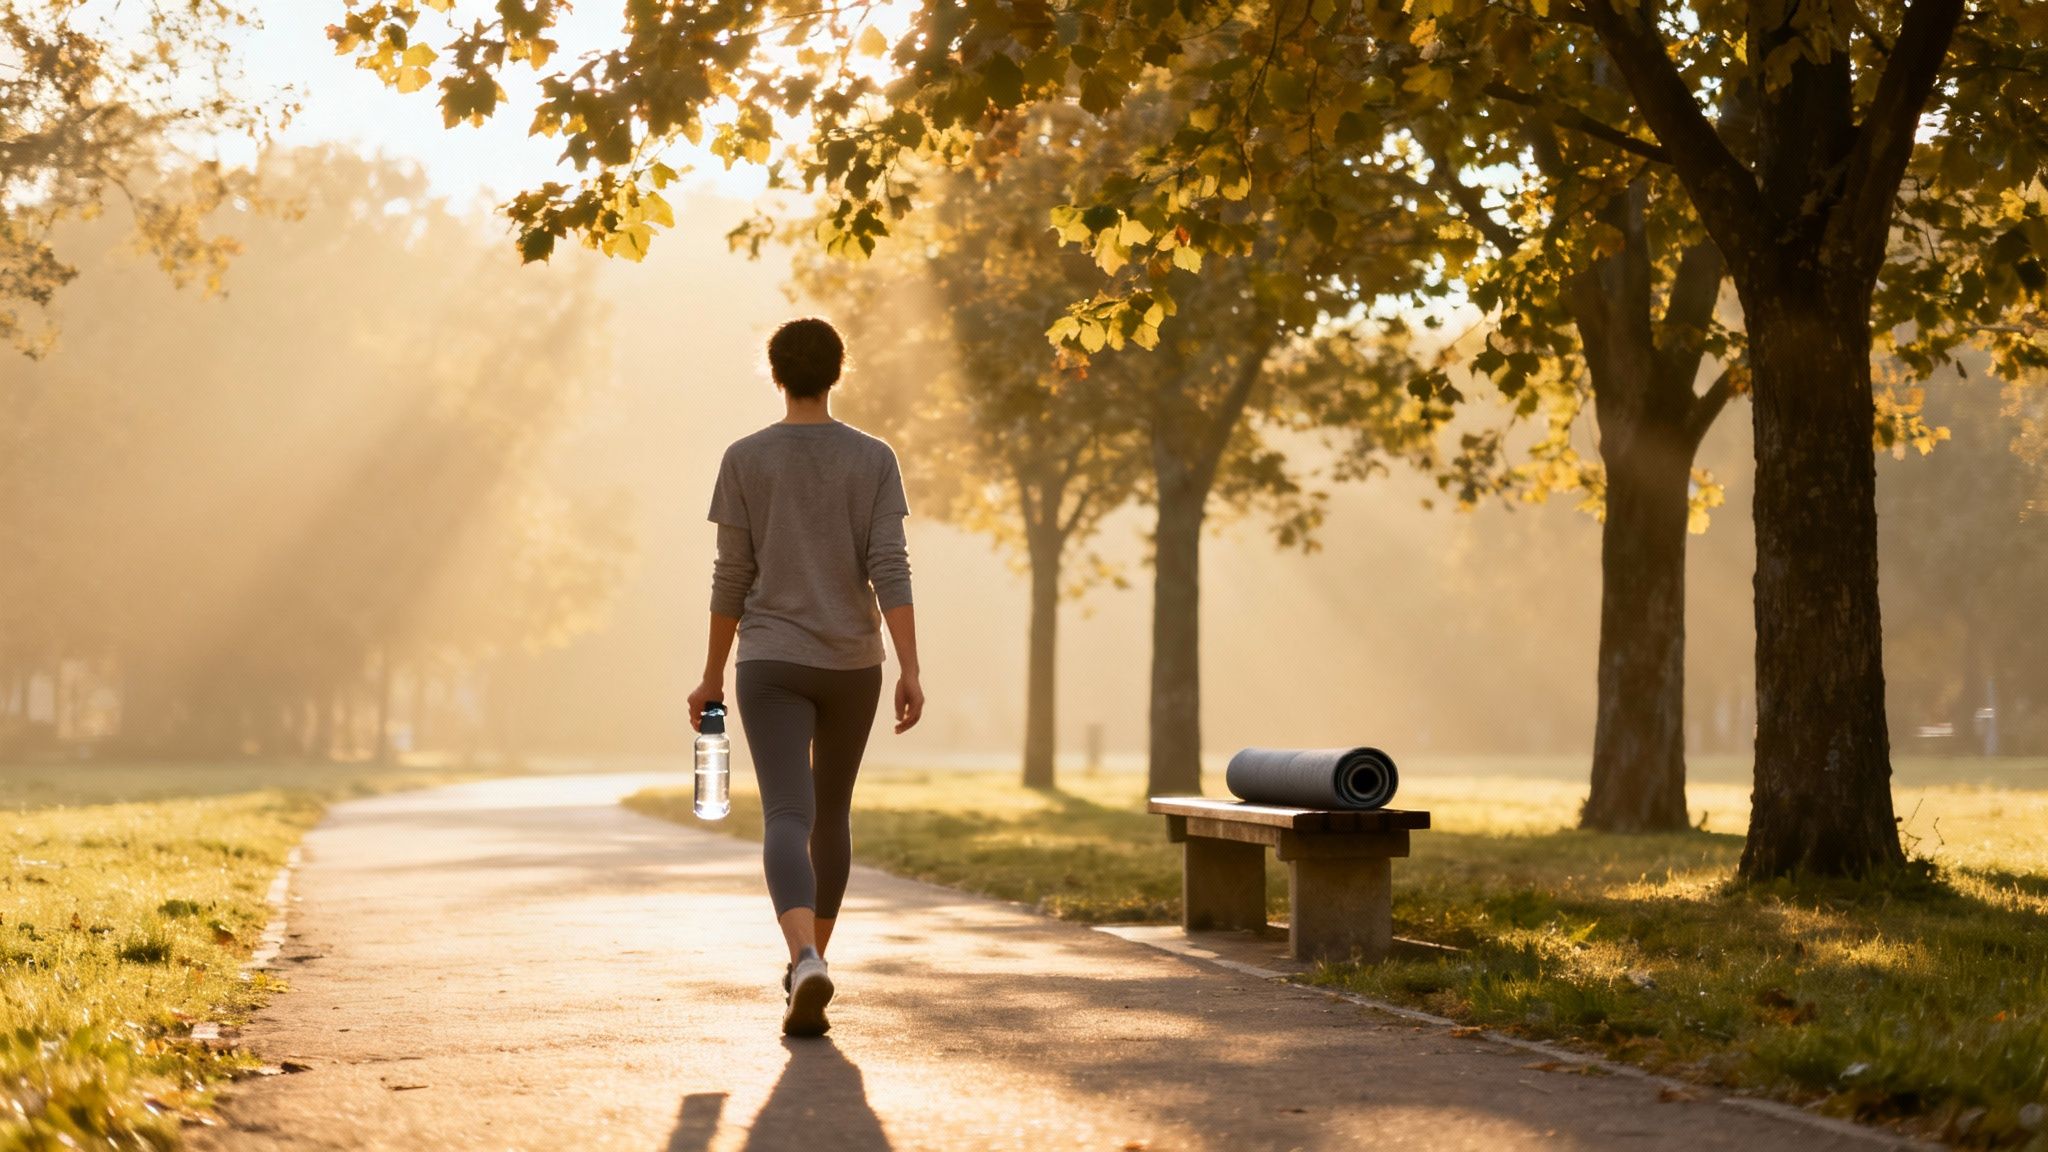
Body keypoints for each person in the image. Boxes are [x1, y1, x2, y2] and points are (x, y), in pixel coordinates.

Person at [687, 317, 924, 1037]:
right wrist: (910, 665)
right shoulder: (874, 458)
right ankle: (810, 961)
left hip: (771, 662)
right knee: (831, 814)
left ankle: (805, 958)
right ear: (838, 371)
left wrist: (710, 676)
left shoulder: (745, 458)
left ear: (775, 372)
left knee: (788, 815)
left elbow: (733, 575)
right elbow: (890, 565)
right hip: (854, 663)